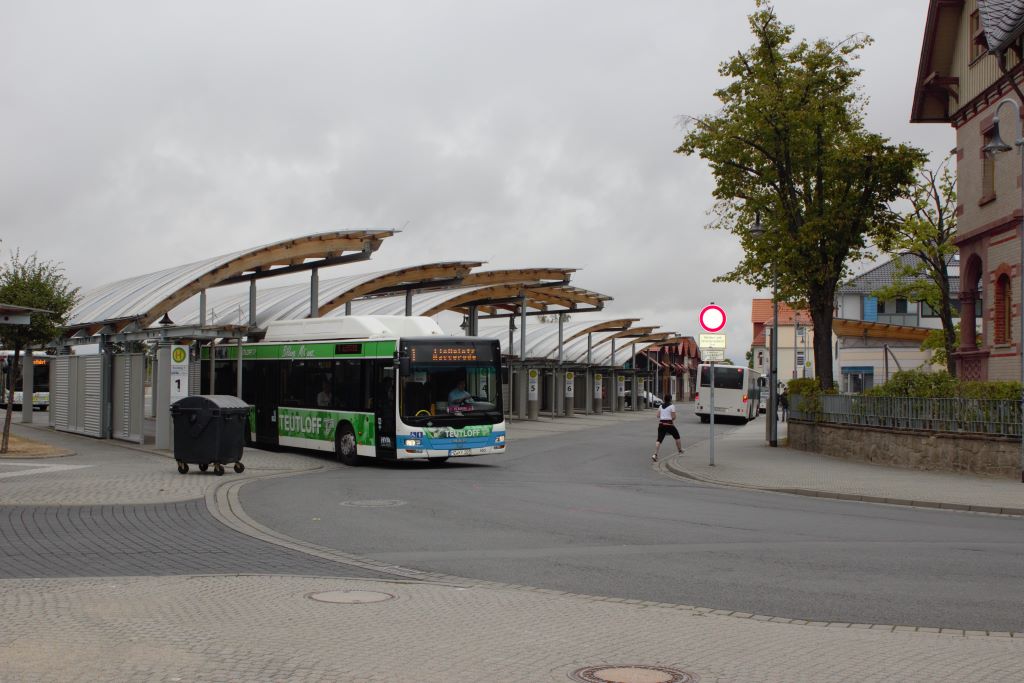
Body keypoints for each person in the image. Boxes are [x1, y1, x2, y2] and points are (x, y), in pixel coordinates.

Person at [652, 393, 683, 462]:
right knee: (677, 436)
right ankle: (680, 450)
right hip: (669, 424)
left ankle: (655, 454)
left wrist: (663, 416)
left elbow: (657, 415)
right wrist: (670, 419)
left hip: (661, 424)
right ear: (670, 399)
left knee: (659, 440)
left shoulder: (660, 406)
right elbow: (674, 417)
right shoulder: (672, 406)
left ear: (664, 399)